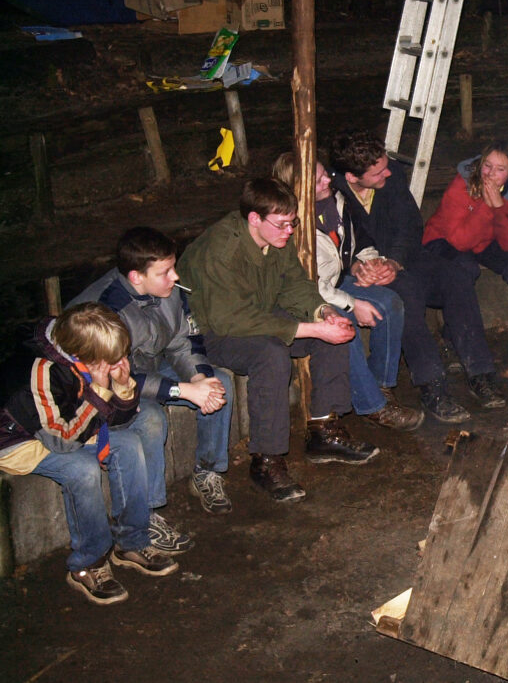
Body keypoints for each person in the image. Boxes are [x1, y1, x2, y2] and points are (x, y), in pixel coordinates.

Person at [178, 178, 377, 503]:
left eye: (293, 222)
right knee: (270, 354)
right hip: (212, 331)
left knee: (331, 333)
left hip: (257, 312)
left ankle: (324, 430)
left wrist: (323, 311)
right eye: (282, 224)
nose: (289, 230)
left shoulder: (277, 238)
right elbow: (231, 320)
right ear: (254, 218)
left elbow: (294, 284)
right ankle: (266, 460)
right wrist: (311, 329)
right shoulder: (221, 250)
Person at [0, 304, 182, 605]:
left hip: (65, 425)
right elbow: (64, 442)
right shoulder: (44, 372)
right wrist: (99, 391)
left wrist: (121, 387)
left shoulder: (88, 356)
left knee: (129, 445)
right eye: (112, 360)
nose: (119, 362)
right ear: (84, 356)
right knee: (82, 469)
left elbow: (116, 422)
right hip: (19, 440)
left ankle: (131, 541)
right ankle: (88, 562)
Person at [329, 130, 501, 423]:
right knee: (406, 294)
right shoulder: (332, 190)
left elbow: (410, 224)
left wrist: (394, 261)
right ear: (352, 177)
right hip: (362, 270)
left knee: (455, 278)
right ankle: (432, 385)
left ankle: (480, 372)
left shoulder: (392, 174)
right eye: (378, 172)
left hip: (402, 258)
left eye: (386, 166)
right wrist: (361, 267)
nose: (387, 173)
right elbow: (329, 245)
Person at [70, 226, 236, 518]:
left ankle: (207, 472)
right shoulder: (106, 311)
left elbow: (183, 341)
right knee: (150, 419)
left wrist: (199, 378)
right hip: (108, 387)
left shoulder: (167, 291)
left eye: (173, 268)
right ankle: (147, 512)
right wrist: (183, 390)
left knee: (218, 382)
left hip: (149, 366)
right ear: (136, 277)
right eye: (165, 272)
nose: (176, 277)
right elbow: (118, 378)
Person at [272, 152, 423, 431]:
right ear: (295, 189)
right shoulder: (292, 227)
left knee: (390, 303)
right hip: (311, 295)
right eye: (317, 180)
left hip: (337, 281)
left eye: (324, 174)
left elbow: (359, 240)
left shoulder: (337, 201)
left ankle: (381, 386)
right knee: (343, 323)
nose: (327, 181)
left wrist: (368, 264)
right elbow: (307, 285)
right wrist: (353, 304)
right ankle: (373, 406)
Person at [422, 140, 508, 368]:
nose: (491, 174)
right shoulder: (462, 183)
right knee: (464, 267)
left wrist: (500, 208)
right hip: (444, 240)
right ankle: (452, 342)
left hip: (483, 242)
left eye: (500, 169)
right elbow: (459, 241)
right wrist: (486, 205)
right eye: (487, 166)